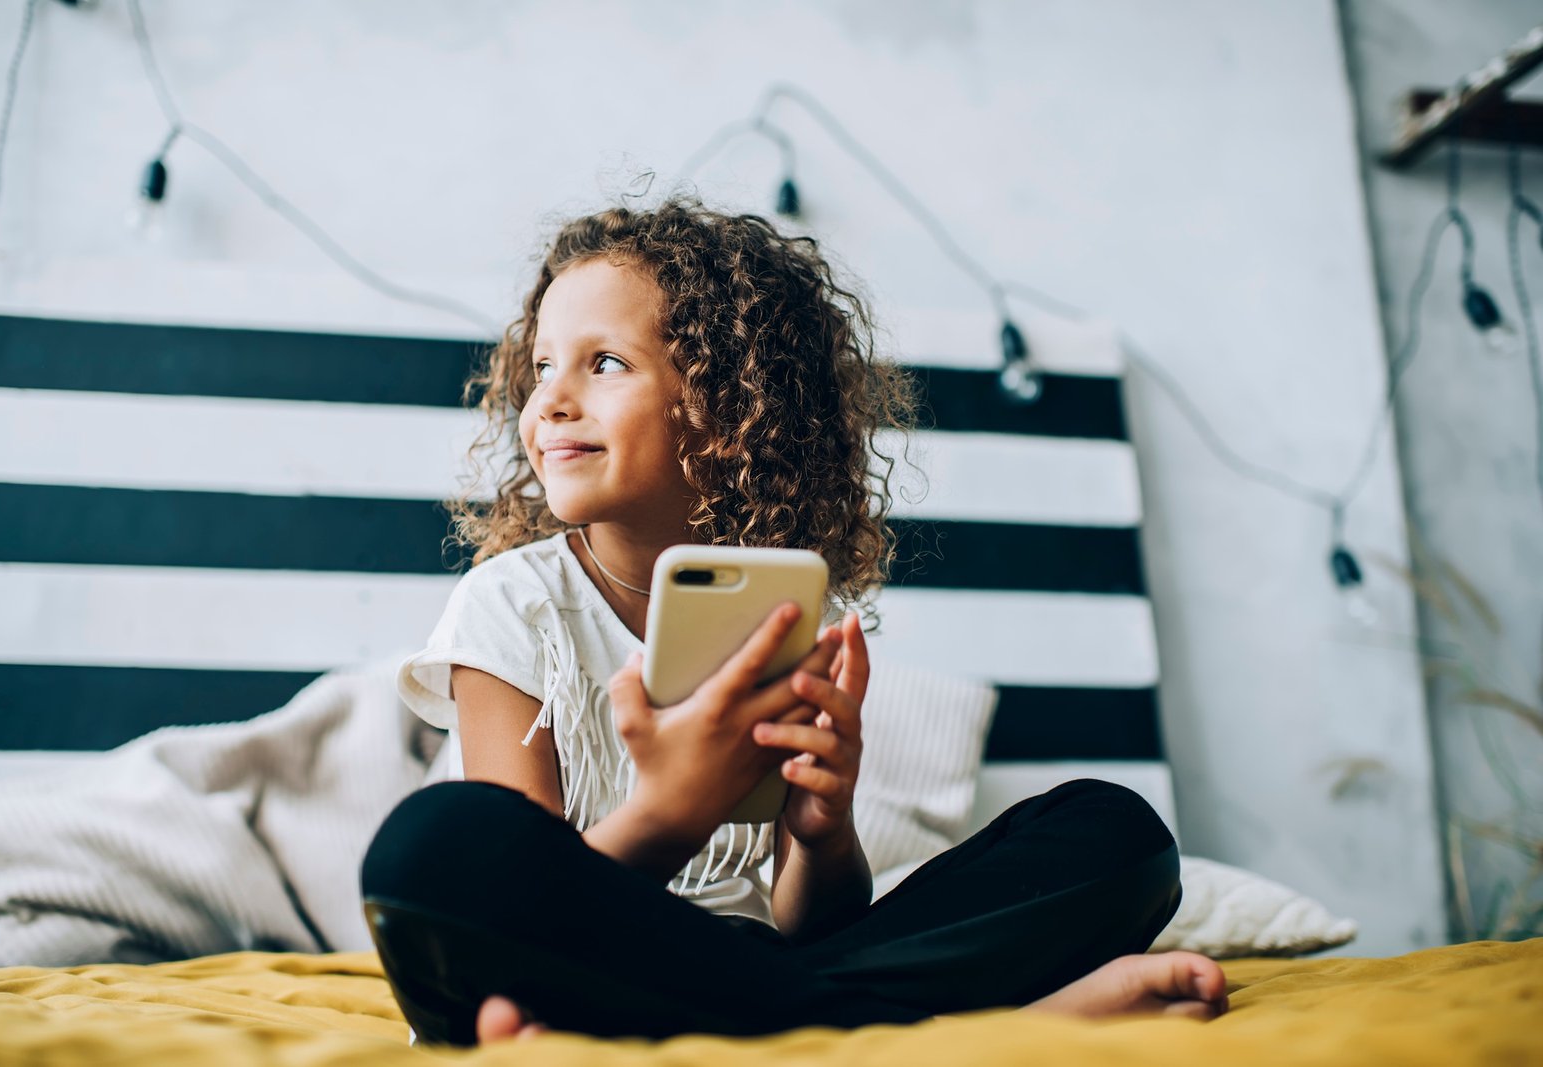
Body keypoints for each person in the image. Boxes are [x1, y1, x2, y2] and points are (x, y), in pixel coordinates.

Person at [362, 193, 1228, 1047]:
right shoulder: (511, 604)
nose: (549, 399)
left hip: (732, 971)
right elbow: (524, 900)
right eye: (544, 364)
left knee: (1116, 832)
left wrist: (823, 834)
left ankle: (804, 1020)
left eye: (606, 363)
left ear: (728, 412)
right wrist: (671, 811)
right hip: (571, 967)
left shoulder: (769, 616)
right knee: (431, 852)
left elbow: (811, 924)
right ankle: (917, 1025)